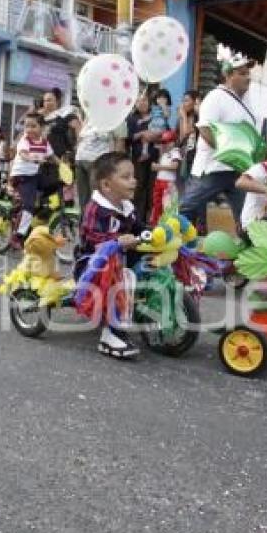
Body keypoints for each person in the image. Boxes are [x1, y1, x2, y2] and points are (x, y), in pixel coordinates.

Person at [180, 55, 259, 229]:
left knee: (246, 217)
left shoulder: (246, 101)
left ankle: (246, 250)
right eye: (242, 73)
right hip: (212, 169)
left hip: (238, 170)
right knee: (186, 209)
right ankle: (172, 245)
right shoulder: (215, 97)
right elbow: (205, 129)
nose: (248, 77)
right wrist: (230, 153)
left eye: (248, 74)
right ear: (229, 75)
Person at [76, 151, 141, 360]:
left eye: (133, 175)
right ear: (106, 185)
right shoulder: (96, 210)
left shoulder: (127, 207)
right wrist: (118, 241)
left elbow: (139, 228)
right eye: (126, 177)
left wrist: (156, 232)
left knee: (153, 262)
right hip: (93, 266)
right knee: (119, 275)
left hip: (122, 258)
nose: (134, 181)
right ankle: (110, 334)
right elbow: (96, 240)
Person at [9, 112, 56, 249]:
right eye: (26, 126)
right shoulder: (24, 140)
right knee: (29, 206)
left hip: (34, 175)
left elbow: (52, 157)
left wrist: (64, 165)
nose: (29, 129)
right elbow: (23, 154)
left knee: (52, 185)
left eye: (33, 126)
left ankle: (30, 216)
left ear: (42, 127)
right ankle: (17, 236)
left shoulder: (44, 142)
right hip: (22, 175)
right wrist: (33, 158)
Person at [75, 119, 127, 211]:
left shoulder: (117, 115)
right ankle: (84, 223)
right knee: (83, 200)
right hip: (80, 159)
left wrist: (114, 164)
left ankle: (97, 223)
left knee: (97, 198)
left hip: (98, 162)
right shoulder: (90, 114)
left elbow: (120, 142)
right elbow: (81, 136)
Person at [127, 95, 160, 223]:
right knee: (139, 187)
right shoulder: (131, 118)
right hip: (138, 158)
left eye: (145, 100)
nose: (142, 103)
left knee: (152, 188)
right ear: (135, 103)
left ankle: (149, 219)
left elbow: (165, 134)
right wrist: (141, 134)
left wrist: (154, 137)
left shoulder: (156, 117)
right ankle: (137, 219)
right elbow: (128, 138)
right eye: (139, 101)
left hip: (154, 157)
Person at [149, 130, 182, 226]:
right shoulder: (164, 153)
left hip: (169, 183)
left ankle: (170, 226)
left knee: (168, 206)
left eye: (167, 142)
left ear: (173, 142)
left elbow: (175, 166)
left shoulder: (175, 152)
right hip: (159, 181)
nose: (165, 144)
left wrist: (158, 167)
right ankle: (157, 225)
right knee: (157, 204)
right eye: (163, 142)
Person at [42, 87, 82, 163]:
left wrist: (77, 147)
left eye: (49, 100)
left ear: (57, 101)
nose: (46, 103)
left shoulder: (64, 114)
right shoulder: (43, 118)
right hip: (45, 158)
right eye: (44, 101)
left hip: (61, 158)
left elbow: (78, 127)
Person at [176, 90, 200, 196]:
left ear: (195, 102)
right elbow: (181, 137)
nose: (183, 104)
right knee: (183, 189)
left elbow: (187, 131)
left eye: (186, 101)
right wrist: (183, 118)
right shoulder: (184, 117)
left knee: (194, 190)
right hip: (185, 157)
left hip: (196, 157)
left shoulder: (198, 117)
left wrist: (184, 117)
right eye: (183, 101)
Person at [143, 89, 171, 162]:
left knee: (160, 143)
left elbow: (167, 115)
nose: (161, 100)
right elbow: (150, 116)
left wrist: (163, 106)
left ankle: (161, 159)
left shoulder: (167, 108)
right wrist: (143, 120)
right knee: (145, 136)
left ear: (167, 100)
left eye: (164, 98)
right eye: (159, 98)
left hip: (160, 128)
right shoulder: (154, 108)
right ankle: (145, 153)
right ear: (156, 99)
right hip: (153, 127)